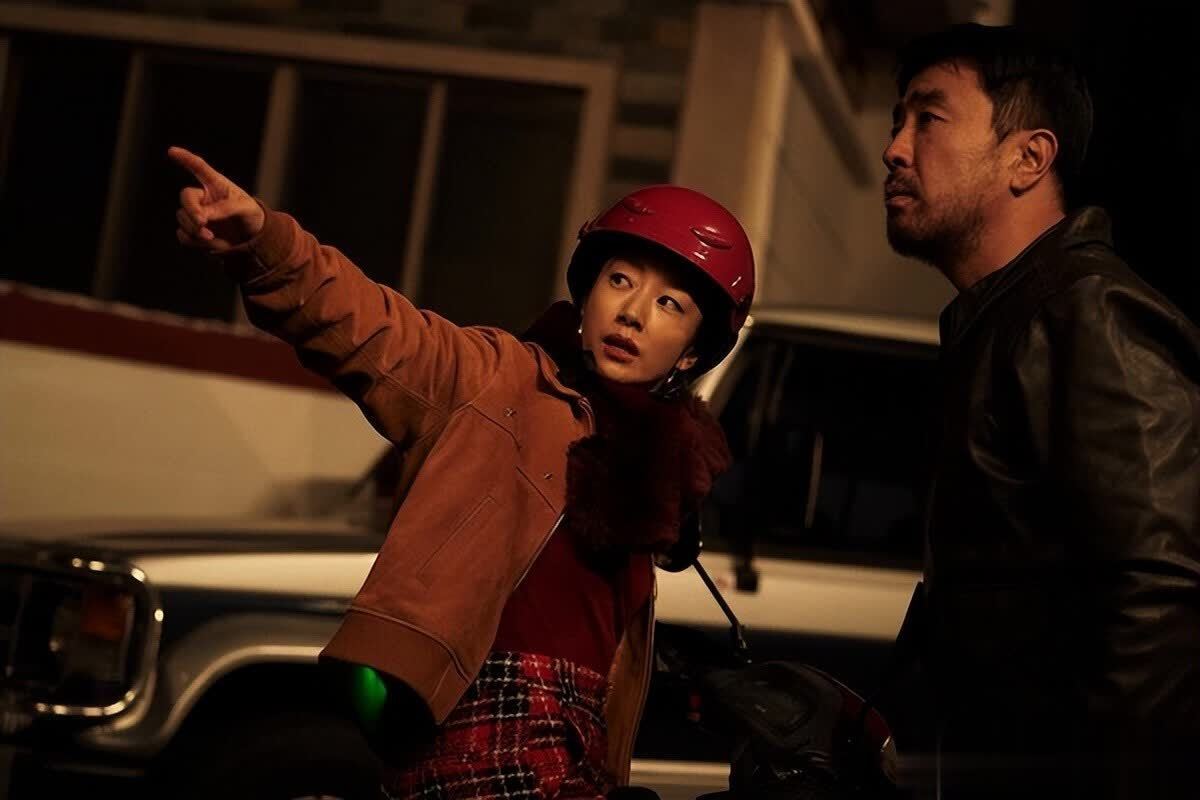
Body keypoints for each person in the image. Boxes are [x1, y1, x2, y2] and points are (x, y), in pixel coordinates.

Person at [169, 145, 754, 799]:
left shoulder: (653, 477)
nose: (634, 312)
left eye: (670, 304)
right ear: (587, 293)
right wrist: (265, 247)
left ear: (692, 353)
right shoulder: (500, 378)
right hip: (477, 729)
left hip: (577, 750)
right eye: (620, 281)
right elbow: (377, 328)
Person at [881, 23, 1200, 799]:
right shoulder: (1003, 321)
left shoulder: (1086, 312)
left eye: (928, 118)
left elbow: (1160, 595)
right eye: (897, 121)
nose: (894, 148)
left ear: (1029, 158)